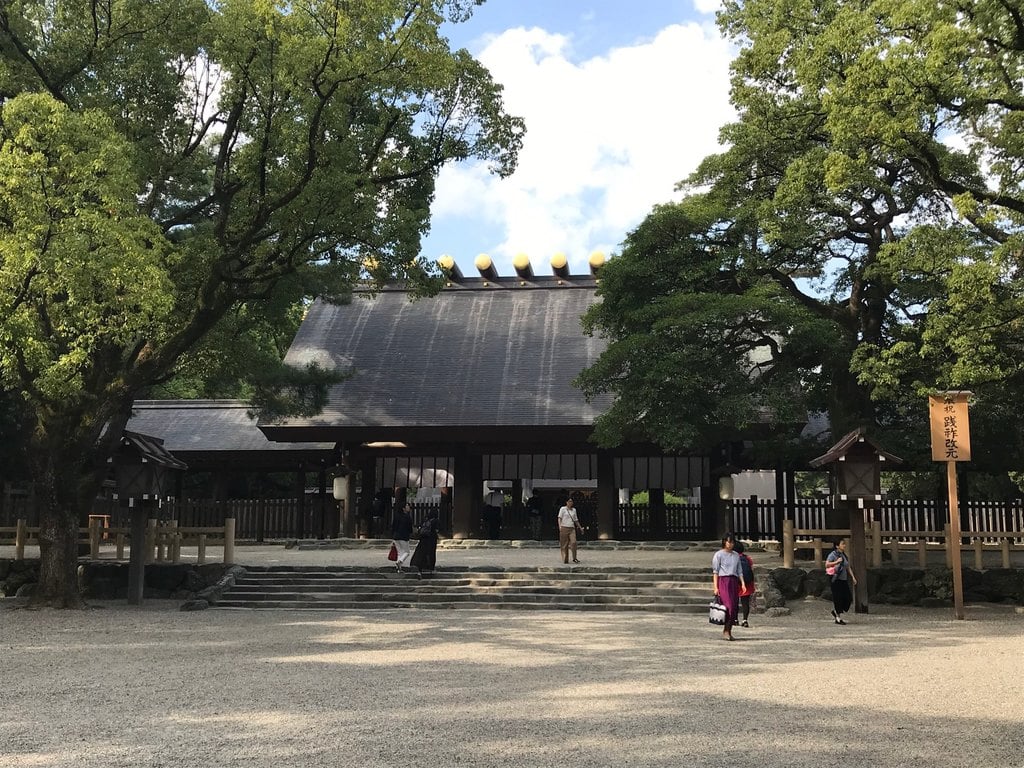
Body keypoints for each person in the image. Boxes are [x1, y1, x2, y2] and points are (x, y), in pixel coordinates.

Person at [711, 533, 746, 641]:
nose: (730, 544)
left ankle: (728, 630)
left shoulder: (736, 555)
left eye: (732, 542)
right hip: (724, 581)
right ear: (724, 542)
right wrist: (715, 587)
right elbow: (715, 572)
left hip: (734, 581)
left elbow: (739, 571)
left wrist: (743, 583)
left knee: (734, 607)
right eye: (728, 542)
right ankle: (726, 630)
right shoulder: (719, 555)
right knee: (728, 606)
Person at [826, 537, 857, 624]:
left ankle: (836, 611)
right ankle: (838, 618)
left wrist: (853, 577)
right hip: (835, 579)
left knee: (848, 598)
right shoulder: (833, 555)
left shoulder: (844, 555)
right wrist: (836, 562)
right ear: (837, 546)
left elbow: (847, 567)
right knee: (838, 598)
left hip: (843, 579)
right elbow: (827, 564)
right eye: (842, 544)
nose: (844, 545)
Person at [410, 509, 439, 577]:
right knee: (431, 553)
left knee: (421, 554)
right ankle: (430, 567)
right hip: (431, 539)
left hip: (423, 539)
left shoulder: (425, 520)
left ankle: (419, 567)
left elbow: (420, 527)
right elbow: (437, 530)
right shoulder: (436, 521)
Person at [734, 540, 755, 628]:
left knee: (734, 602)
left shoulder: (733, 558)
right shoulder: (747, 558)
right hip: (747, 583)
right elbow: (751, 570)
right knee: (745, 602)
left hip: (735, 582)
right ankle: (745, 620)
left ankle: (735, 619)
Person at [557, 498, 582, 564]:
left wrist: (580, 527)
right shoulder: (563, 509)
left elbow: (576, 520)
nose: (571, 502)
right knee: (564, 544)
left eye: (571, 501)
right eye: (569, 501)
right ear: (566, 502)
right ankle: (565, 558)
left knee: (573, 542)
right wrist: (560, 526)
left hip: (572, 528)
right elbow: (559, 518)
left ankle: (574, 557)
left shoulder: (574, 510)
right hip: (564, 527)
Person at [391, 502, 414, 573]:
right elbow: (410, 528)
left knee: (400, 553)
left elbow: (393, 526)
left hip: (396, 536)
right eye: (407, 506)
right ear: (403, 508)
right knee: (407, 552)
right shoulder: (407, 517)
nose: (408, 507)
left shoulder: (396, 516)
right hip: (404, 536)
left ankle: (399, 568)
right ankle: (400, 561)